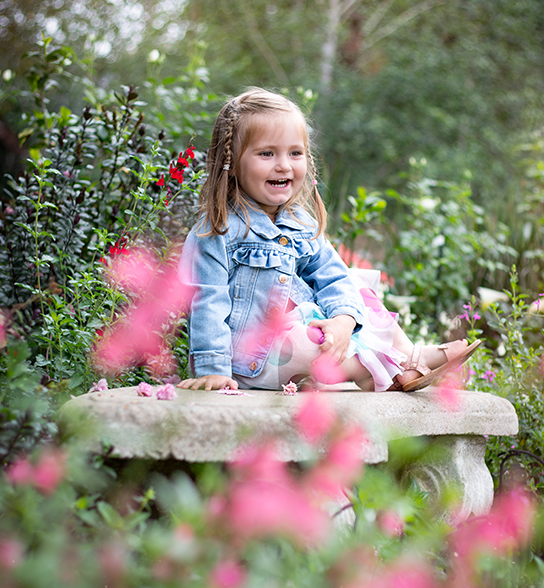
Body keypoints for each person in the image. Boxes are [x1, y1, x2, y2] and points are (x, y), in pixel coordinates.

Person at [178, 89, 480, 393]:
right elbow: (207, 301)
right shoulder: (218, 233)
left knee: (355, 286)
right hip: (253, 359)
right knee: (306, 343)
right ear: (231, 162)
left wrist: (343, 322)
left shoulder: (301, 225)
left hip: (303, 332)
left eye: (295, 153)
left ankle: (406, 355)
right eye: (267, 153)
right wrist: (213, 370)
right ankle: (385, 368)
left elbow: (334, 278)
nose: (284, 165)